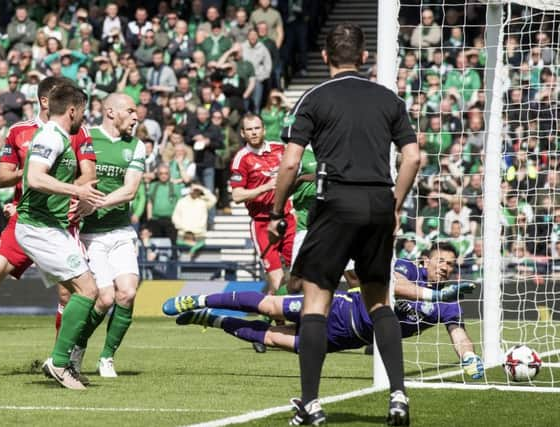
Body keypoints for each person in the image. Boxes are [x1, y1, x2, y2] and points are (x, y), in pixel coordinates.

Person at [267, 23, 420, 425]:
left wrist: (276, 209)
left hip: (335, 201)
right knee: (379, 301)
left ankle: (311, 404)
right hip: (377, 202)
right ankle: (399, 396)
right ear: (364, 56)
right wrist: (395, 203)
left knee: (316, 301)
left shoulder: (314, 98)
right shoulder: (389, 98)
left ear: (325, 57)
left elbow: (289, 163)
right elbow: (413, 157)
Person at [0, 77, 96, 380]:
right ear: (45, 100)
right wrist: (34, 171)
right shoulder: (18, 132)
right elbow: (2, 177)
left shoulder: (78, 132)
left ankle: (60, 362)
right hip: (24, 219)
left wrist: (71, 192)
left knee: (68, 294)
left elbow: (88, 175)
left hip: (60, 223)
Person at [163, 244, 483, 381]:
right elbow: (391, 285)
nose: (446, 267)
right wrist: (432, 293)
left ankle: (212, 319)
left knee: (275, 338)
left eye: (452, 264)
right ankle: (201, 299)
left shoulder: (449, 303)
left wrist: (468, 358)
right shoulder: (407, 268)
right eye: (441, 260)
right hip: (339, 310)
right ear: (426, 260)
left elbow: (459, 335)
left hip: (347, 339)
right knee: (271, 306)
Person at [15, 84, 104, 390]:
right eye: (83, 111)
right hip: (37, 227)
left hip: (50, 226)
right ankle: (60, 362)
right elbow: (35, 177)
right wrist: (76, 190)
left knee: (84, 293)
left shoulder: (61, 137)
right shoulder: (52, 136)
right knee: (88, 290)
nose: (84, 117)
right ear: (72, 111)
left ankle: (64, 361)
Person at [70, 93, 145, 378]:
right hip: (90, 235)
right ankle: (77, 346)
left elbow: (130, 191)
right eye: (131, 110)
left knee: (127, 292)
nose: (136, 116)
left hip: (121, 230)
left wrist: (95, 203)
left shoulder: (136, 146)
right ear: (110, 112)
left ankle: (107, 358)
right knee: (104, 298)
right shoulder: (85, 137)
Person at [230, 114, 295, 296]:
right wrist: (264, 188)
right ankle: (277, 322)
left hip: (288, 218)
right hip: (262, 224)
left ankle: (301, 319)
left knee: (300, 272)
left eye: (257, 128)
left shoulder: (280, 149)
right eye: (249, 129)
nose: (254, 132)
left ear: (264, 129)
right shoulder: (242, 159)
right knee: (277, 279)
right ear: (243, 133)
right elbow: (237, 195)